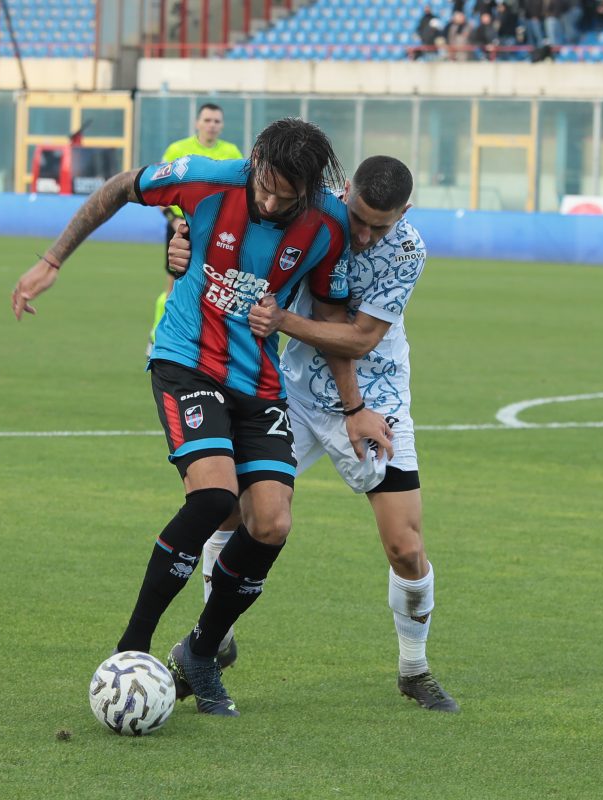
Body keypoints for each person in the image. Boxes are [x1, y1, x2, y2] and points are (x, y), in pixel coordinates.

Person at [10, 118, 392, 717]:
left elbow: (334, 322)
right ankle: (130, 649)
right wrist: (53, 260)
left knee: (270, 523)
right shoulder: (204, 177)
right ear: (256, 159)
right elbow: (118, 187)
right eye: (265, 186)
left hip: (259, 381)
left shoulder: (327, 225)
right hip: (187, 360)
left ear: (310, 191)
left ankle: (201, 652)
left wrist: (353, 408)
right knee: (214, 499)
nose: (269, 202)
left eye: (285, 198)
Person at [168, 156, 459, 713]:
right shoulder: (308, 213)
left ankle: (414, 668)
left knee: (405, 547)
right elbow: (225, 220)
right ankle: (213, 642)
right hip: (293, 393)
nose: (366, 234)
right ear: (343, 191)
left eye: (383, 223)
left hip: (378, 403)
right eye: (360, 217)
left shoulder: (407, 251)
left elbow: (357, 339)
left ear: (406, 213)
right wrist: (178, 238)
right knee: (235, 513)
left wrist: (284, 326)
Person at [149, 103, 244, 347]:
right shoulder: (178, 149)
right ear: (197, 123)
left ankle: (206, 341)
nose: (212, 125)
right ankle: (159, 337)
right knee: (174, 282)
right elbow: (158, 187)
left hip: (217, 231)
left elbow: (239, 193)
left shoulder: (232, 151)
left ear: (222, 125)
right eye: (208, 120)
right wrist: (174, 218)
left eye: (216, 121)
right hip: (181, 227)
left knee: (215, 286)